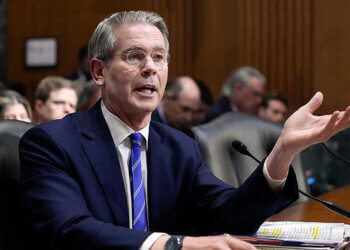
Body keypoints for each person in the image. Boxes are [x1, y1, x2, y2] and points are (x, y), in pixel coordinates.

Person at [19, 11, 350, 250]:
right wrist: (174, 244)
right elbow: (69, 230)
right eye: (134, 56)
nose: (150, 67)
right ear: (98, 71)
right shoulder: (51, 143)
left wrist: (283, 151)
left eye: (159, 57)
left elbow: (231, 216)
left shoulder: (178, 146)